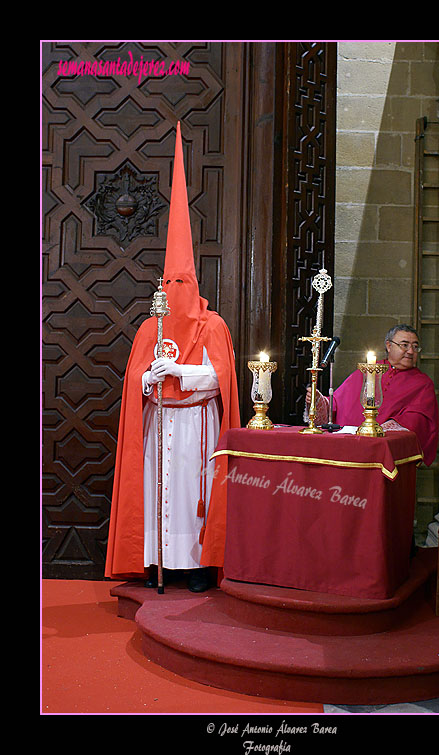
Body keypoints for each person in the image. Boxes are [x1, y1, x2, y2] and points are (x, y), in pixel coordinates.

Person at [105, 122, 241, 592]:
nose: (173, 292)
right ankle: (155, 561)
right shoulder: (150, 326)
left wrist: (179, 370)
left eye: (180, 284)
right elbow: (134, 383)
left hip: (197, 428)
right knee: (157, 494)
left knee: (190, 496)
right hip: (158, 426)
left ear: (194, 286)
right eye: (168, 284)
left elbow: (219, 378)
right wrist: (147, 379)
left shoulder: (213, 325)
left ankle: (197, 565)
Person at [306, 324, 439, 466]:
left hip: (384, 455)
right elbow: (337, 403)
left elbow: (417, 420)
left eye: (415, 346)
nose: (411, 351)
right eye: (405, 345)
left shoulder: (422, 383)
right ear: (389, 346)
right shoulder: (367, 371)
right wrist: (317, 401)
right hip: (346, 449)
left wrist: (379, 432)